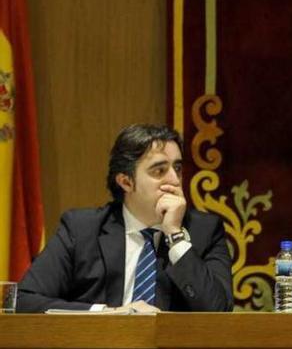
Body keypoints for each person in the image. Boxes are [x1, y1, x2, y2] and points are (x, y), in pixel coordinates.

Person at [17, 124, 233, 313]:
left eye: (177, 168)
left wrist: (176, 237)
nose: (174, 179)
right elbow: (24, 300)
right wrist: (109, 314)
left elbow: (219, 311)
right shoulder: (82, 230)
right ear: (126, 182)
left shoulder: (203, 230)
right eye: (159, 170)